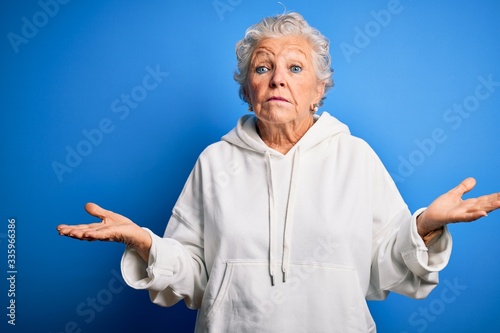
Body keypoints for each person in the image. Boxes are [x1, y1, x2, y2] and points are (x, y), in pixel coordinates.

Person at [57, 12, 500, 332]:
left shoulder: (356, 158)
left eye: (294, 68)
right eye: (263, 67)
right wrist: (146, 242)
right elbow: (194, 277)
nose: (277, 79)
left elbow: (383, 269)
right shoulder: (215, 162)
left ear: (318, 90)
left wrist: (425, 226)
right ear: (248, 89)